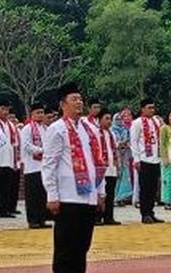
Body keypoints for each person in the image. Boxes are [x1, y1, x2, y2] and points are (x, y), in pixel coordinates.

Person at [41, 83, 106, 273]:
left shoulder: (89, 129)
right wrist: (52, 195)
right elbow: (49, 164)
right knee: (65, 248)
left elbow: (97, 162)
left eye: (80, 99)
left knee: (82, 247)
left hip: (88, 196)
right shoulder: (57, 129)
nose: (79, 103)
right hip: (68, 196)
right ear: (63, 104)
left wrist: (100, 191)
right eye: (74, 99)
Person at [130, 100, 164, 224]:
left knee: (153, 188)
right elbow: (133, 141)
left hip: (156, 158)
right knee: (144, 188)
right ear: (142, 109)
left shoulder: (156, 122)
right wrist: (136, 158)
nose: (152, 110)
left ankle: (151, 212)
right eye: (149, 108)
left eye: (153, 108)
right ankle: (145, 214)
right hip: (144, 159)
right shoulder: (137, 123)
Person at [20, 103, 49, 229]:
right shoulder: (27, 129)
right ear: (32, 114)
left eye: (42, 112)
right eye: (38, 112)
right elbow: (26, 145)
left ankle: (42, 219)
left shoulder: (45, 128)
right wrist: (42, 150)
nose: (40, 115)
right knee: (32, 195)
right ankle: (32, 220)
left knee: (42, 195)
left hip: (44, 166)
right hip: (32, 166)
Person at [0, 102, 21, 218]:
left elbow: (15, 144)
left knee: (7, 187)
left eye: (7, 110)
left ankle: (5, 209)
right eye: (3, 109)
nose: (5, 112)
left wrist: (15, 161)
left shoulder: (11, 125)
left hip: (8, 160)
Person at [94, 111, 120, 226]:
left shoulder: (112, 134)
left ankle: (109, 216)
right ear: (99, 120)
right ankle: (97, 217)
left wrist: (117, 164)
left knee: (110, 193)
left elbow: (115, 150)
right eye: (106, 119)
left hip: (111, 167)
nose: (109, 121)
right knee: (100, 193)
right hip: (100, 168)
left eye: (110, 119)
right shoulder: (95, 133)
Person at [111, 110, 134, 205]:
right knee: (117, 175)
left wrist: (127, 143)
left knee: (125, 175)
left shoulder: (125, 129)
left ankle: (122, 197)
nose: (119, 121)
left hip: (125, 155)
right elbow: (113, 143)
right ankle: (115, 197)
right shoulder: (112, 130)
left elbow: (130, 140)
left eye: (120, 119)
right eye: (117, 119)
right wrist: (121, 143)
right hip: (116, 155)